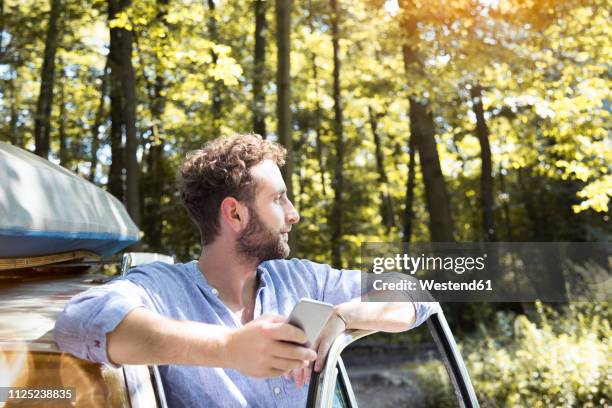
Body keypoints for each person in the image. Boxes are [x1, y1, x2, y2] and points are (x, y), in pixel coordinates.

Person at [54, 134, 438, 407]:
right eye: (278, 199)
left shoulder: (303, 279)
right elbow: (79, 322)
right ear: (235, 213)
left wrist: (343, 315)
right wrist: (228, 349)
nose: (294, 213)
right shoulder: (161, 291)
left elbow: (416, 293)